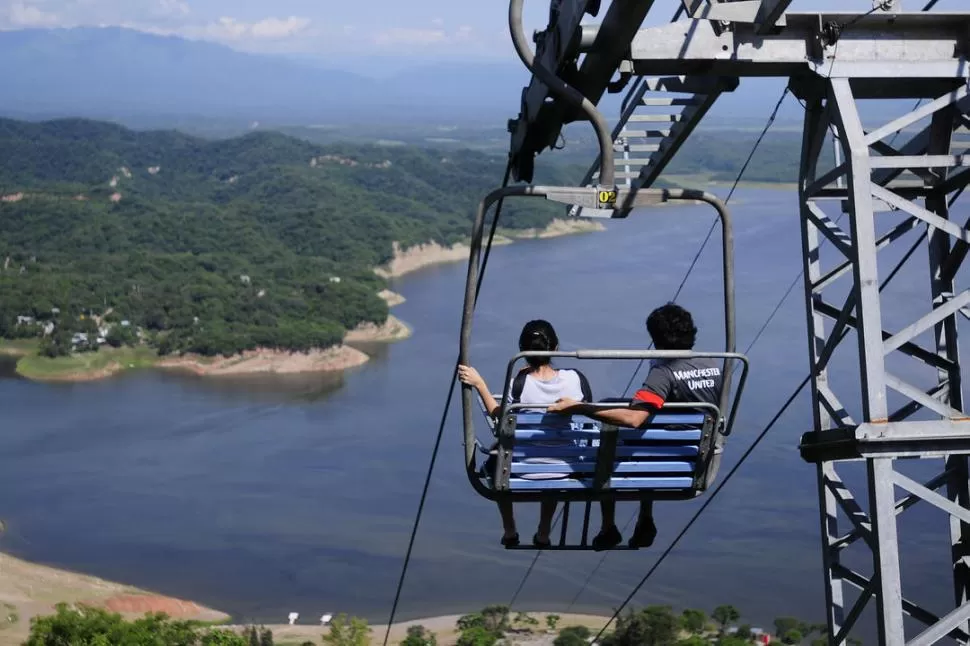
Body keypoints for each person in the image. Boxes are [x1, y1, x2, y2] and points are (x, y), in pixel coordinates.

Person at [548, 303, 723, 550]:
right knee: (647, 437)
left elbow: (634, 418)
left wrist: (580, 407)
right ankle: (645, 516)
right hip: (696, 457)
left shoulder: (663, 372)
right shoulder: (712, 364)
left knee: (609, 438)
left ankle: (608, 526)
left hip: (662, 460)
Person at [458, 319, 593, 548]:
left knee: (497, 455)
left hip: (524, 467)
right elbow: (588, 409)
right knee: (553, 458)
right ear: (556, 348)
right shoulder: (575, 378)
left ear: (524, 351)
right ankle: (543, 531)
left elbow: (498, 418)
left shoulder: (518, 385)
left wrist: (480, 384)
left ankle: (510, 529)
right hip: (565, 468)